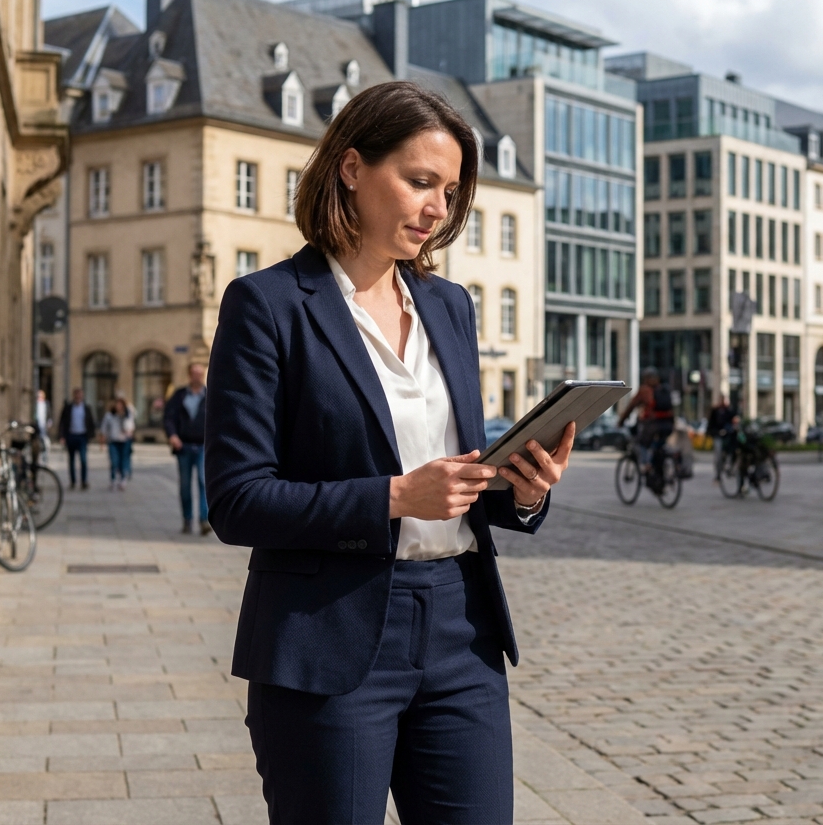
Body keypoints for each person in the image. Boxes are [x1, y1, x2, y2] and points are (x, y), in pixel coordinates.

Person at [204, 81, 572, 824]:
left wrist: (523, 491)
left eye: (451, 190)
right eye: (420, 181)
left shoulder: (449, 306)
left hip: (462, 631)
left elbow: (457, 475)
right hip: (328, 638)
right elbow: (237, 499)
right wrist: (395, 498)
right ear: (350, 168)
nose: (439, 208)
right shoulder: (268, 305)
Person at [164, 364, 210, 535]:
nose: (197, 376)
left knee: (203, 482)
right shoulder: (179, 395)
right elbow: (169, 417)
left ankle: (204, 520)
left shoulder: (209, 395)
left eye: (200, 373)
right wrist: (172, 435)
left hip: (204, 446)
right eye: (194, 373)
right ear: (189, 375)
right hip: (183, 446)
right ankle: (187, 519)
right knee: (185, 485)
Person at [618, 367, 675, 479]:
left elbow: (631, 406)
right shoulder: (664, 389)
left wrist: (621, 421)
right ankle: (661, 470)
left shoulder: (644, 390)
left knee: (641, 443)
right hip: (667, 425)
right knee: (659, 446)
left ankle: (646, 464)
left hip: (652, 425)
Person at [57, 388, 95, 490]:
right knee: (72, 460)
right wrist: (62, 436)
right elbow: (62, 422)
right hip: (71, 436)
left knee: (83, 459)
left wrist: (91, 435)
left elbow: (91, 422)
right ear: (74, 396)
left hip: (82, 436)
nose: (78, 397)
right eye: (76, 395)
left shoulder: (86, 408)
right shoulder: (68, 408)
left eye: (80, 395)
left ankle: (83, 481)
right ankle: (73, 481)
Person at [99, 398, 135, 490]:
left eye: (121, 405)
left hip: (125, 441)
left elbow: (131, 427)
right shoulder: (109, 415)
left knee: (123, 461)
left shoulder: (127, 415)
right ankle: (113, 479)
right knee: (114, 461)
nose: (119, 407)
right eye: (117, 404)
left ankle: (123, 480)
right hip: (113, 441)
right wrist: (102, 441)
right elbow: (104, 428)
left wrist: (126, 414)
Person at [706, 394, 735, 483]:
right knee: (718, 455)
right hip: (717, 435)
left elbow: (733, 421)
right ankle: (718, 474)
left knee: (731, 452)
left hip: (727, 435)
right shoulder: (715, 410)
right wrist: (711, 432)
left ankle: (729, 468)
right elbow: (711, 423)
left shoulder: (729, 410)